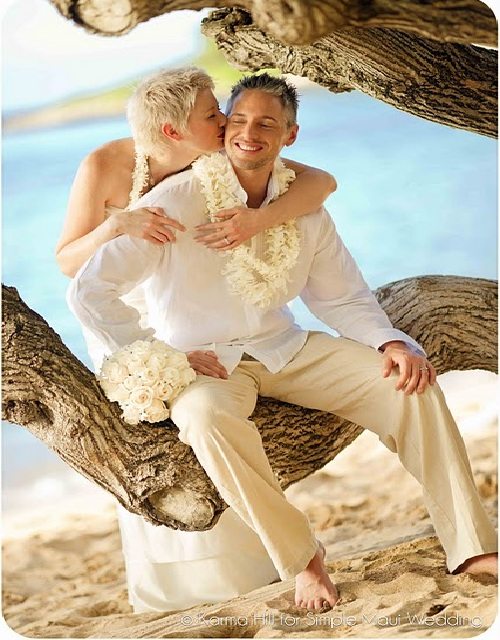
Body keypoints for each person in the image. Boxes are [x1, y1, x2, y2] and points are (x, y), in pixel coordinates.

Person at [67, 72, 498, 612]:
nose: (249, 133)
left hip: (285, 347)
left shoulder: (302, 205)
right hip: (208, 364)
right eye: (238, 120)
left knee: (410, 384)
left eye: (267, 124)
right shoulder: (174, 201)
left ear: (289, 135)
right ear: (224, 130)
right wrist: (165, 358)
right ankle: (303, 560)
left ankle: (472, 547)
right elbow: (89, 292)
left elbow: (342, 298)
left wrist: (390, 341)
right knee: (203, 418)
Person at [57, 67, 338, 612]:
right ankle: (180, 583)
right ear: (172, 131)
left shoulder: (215, 158)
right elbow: (70, 263)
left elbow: (321, 182)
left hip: (191, 311)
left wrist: (262, 220)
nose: (228, 121)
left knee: (211, 420)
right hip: (124, 320)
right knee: (157, 433)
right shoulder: (105, 164)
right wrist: (118, 225)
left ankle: (266, 559)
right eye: (214, 114)